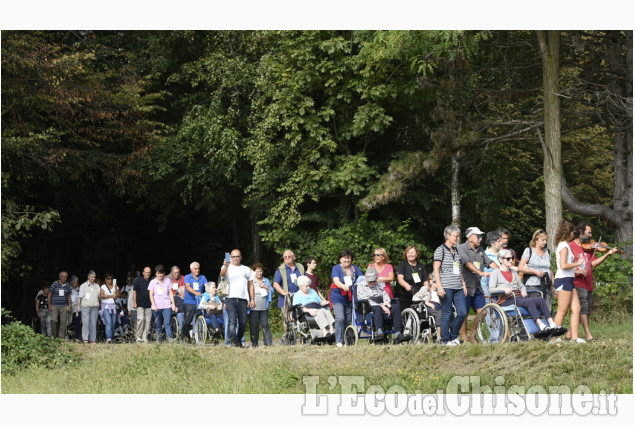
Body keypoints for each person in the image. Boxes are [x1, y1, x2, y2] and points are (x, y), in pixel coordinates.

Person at [489, 249, 566, 338]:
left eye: (512, 258)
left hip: (517, 297)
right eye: (508, 258)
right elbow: (491, 289)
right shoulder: (496, 272)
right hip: (506, 300)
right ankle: (541, 325)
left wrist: (523, 290)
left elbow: (521, 285)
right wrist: (502, 289)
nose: (511, 260)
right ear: (500, 259)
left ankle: (551, 323)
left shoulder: (513, 272)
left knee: (540, 299)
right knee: (529, 301)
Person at [569, 222, 618, 342]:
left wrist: (607, 253)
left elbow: (593, 263)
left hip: (588, 283)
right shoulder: (571, 246)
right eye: (589, 233)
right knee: (583, 309)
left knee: (585, 310)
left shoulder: (589, 246)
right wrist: (578, 271)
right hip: (577, 283)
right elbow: (566, 265)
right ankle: (588, 335)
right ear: (581, 232)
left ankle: (569, 334)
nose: (591, 236)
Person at [457, 227, 498, 343]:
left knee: (483, 312)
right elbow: (467, 263)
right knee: (463, 314)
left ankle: (473, 335)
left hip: (477, 287)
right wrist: (480, 272)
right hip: (464, 287)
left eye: (481, 236)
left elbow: (490, 262)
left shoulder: (480, 249)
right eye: (478, 236)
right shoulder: (461, 248)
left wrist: (501, 272)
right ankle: (464, 338)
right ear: (470, 238)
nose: (480, 238)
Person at [433, 225, 467, 346]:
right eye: (455, 236)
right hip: (446, 286)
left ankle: (453, 336)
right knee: (447, 313)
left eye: (458, 236)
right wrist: (439, 287)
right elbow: (436, 269)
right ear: (448, 236)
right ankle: (445, 340)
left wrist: (463, 284)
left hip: (458, 287)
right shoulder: (440, 250)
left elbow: (459, 269)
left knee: (463, 312)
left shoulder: (456, 250)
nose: (457, 238)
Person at [553, 220, 586, 343]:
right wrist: (577, 264)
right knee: (562, 310)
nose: (574, 234)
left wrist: (575, 268)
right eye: (573, 232)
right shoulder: (563, 246)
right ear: (569, 233)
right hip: (563, 279)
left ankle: (574, 337)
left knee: (576, 308)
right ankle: (554, 337)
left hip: (569, 280)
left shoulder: (565, 245)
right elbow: (563, 265)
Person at [357, 268, 407, 343]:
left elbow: (385, 294)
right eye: (369, 280)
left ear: (377, 278)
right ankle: (379, 331)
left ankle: (398, 334)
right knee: (377, 308)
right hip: (368, 306)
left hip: (381, 304)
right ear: (366, 278)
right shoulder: (360, 286)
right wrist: (381, 306)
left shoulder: (378, 284)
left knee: (396, 306)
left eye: (373, 280)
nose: (371, 282)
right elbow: (365, 300)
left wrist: (387, 303)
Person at [220, 250, 255, 347]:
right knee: (232, 321)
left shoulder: (246, 269)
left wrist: (252, 299)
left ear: (241, 257)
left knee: (243, 323)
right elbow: (222, 275)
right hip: (230, 298)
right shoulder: (226, 267)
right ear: (230, 257)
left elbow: (251, 285)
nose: (235, 258)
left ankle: (238, 340)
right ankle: (234, 341)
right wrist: (226, 265)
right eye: (233, 256)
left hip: (243, 299)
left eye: (237, 256)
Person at [330, 249, 363, 347]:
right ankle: (339, 341)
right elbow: (336, 281)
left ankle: (347, 341)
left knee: (349, 320)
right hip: (338, 296)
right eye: (344, 258)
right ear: (340, 259)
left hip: (350, 297)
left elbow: (361, 279)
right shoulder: (336, 268)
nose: (346, 260)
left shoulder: (354, 268)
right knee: (340, 318)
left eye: (348, 258)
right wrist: (343, 286)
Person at [518, 229, 554, 309]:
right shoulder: (529, 251)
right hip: (533, 285)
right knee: (535, 310)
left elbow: (550, 269)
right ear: (536, 240)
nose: (545, 242)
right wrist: (534, 272)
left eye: (546, 240)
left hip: (547, 285)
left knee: (547, 310)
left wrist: (553, 285)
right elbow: (520, 268)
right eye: (543, 240)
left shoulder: (548, 252)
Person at [149, 264, 178, 343]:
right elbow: (151, 295)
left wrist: (173, 304)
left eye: (161, 273)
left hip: (166, 305)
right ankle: (159, 340)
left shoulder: (167, 280)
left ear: (164, 273)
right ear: (155, 273)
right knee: (158, 324)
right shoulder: (152, 282)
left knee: (167, 323)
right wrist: (154, 305)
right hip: (156, 306)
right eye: (158, 273)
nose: (159, 275)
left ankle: (170, 339)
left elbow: (171, 293)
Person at [396, 246, 427, 311]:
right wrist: (406, 285)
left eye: (412, 252)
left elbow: (425, 281)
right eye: (408, 253)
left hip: (418, 294)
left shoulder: (421, 266)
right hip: (405, 295)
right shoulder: (402, 265)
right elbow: (400, 279)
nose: (410, 254)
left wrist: (428, 289)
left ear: (416, 254)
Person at [182, 262, 207, 341]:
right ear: (191, 269)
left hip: (199, 302)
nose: (197, 270)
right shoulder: (187, 277)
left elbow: (207, 286)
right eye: (195, 269)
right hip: (189, 302)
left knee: (199, 319)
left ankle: (198, 337)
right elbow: (188, 287)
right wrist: (197, 293)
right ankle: (183, 336)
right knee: (188, 320)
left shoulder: (202, 277)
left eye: (198, 269)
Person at [249, 263, 273, 347]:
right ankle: (254, 343)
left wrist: (266, 286)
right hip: (254, 307)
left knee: (265, 324)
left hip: (264, 307)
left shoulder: (266, 280)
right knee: (254, 326)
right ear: (254, 272)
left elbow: (271, 291)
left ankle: (268, 343)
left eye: (260, 271)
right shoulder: (251, 281)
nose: (259, 273)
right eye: (257, 271)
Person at [48, 271, 71, 339]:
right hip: (54, 305)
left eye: (65, 277)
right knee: (53, 320)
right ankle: (53, 335)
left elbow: (69, 295)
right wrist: (49, 304)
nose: (64, 278)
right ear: (60, 277)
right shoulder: (54, 284)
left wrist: (69, 306)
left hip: (64, 306)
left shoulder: (68, 285)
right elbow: (49, 294)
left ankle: (61, 337)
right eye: (63, 277)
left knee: (63, 322)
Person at [78, 271, 100, 343]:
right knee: (85, 322)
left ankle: (92, 339)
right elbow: (80, 297)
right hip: (85, 306)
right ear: (88, 277)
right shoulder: (83, 285)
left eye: (94, 277)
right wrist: (78, 306)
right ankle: (85, 338)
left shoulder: (97, 286)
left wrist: (98, 303)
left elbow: (99, 296)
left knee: (93, 323)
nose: (93, 278)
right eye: (92, 277)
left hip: (94, 306)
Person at [133, 266, 153, 343]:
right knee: (141, 319)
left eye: (149, 272)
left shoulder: (152, 281)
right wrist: (134, 302)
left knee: (148, 322)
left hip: (149, 304)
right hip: (140, 304)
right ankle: (138, 336)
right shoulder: (138, 280)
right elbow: (134, 291)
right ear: (143, 273)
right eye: (146, 272)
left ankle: (145, 337)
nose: (147, 274)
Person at [100, 272, 119, 343]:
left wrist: (116, 289)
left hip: (113, 306)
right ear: (105, 279)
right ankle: (108, 338)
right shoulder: (103, 287)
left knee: (113, 322)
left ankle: (111, 336)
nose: (110, 280)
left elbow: (118, 296)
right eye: (108, 278)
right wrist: (110, 296)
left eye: (111, 278)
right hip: (105, 307)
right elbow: (101, 296)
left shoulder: (115, 286)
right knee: (109, 322)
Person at [69, 275, 82, 342]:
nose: (75, 283)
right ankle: (70, 336)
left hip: (78, 308)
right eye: (74, 282)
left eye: (76, 282)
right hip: (71, 308)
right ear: (71, 283)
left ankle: (76, 337)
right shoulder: (69, 289)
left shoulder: (80, 289)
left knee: (77, 323)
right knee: (70, 322)